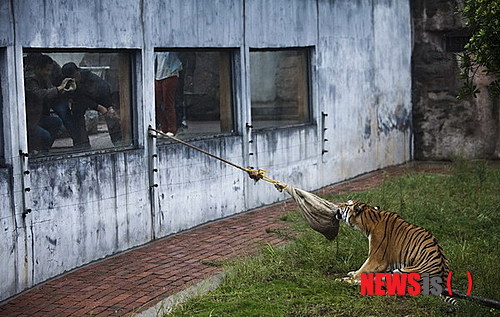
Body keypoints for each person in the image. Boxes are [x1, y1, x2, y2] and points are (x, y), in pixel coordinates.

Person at [61, 62, 122, 149]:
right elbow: (78, 99)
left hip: (99, 97)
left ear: (77, 73)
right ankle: (82, 143)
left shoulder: (91, 78)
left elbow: (104, 89)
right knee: (76, 112)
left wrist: (108, 106)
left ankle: (118, 141)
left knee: (111, 117)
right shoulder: (68, 82)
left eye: (74, 77)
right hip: (82, 101)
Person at [24, 54, 73, 153]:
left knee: (56, 122)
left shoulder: (44, 78)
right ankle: (35, 151)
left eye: (50, 70)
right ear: (38, 68)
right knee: (45, 136)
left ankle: (42, 151)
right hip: (28, 120)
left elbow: (51, 93)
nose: (49, 73)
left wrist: (66, 90)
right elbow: (40, 95)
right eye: (47, 70)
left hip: (38, 117)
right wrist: (59, 88)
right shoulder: (30, 79)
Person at [154, 52, 182, 134]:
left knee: (168, 103)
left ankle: (171, 129)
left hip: (170, 75)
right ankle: (163, 128)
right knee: (157, 103)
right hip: (158, 76)